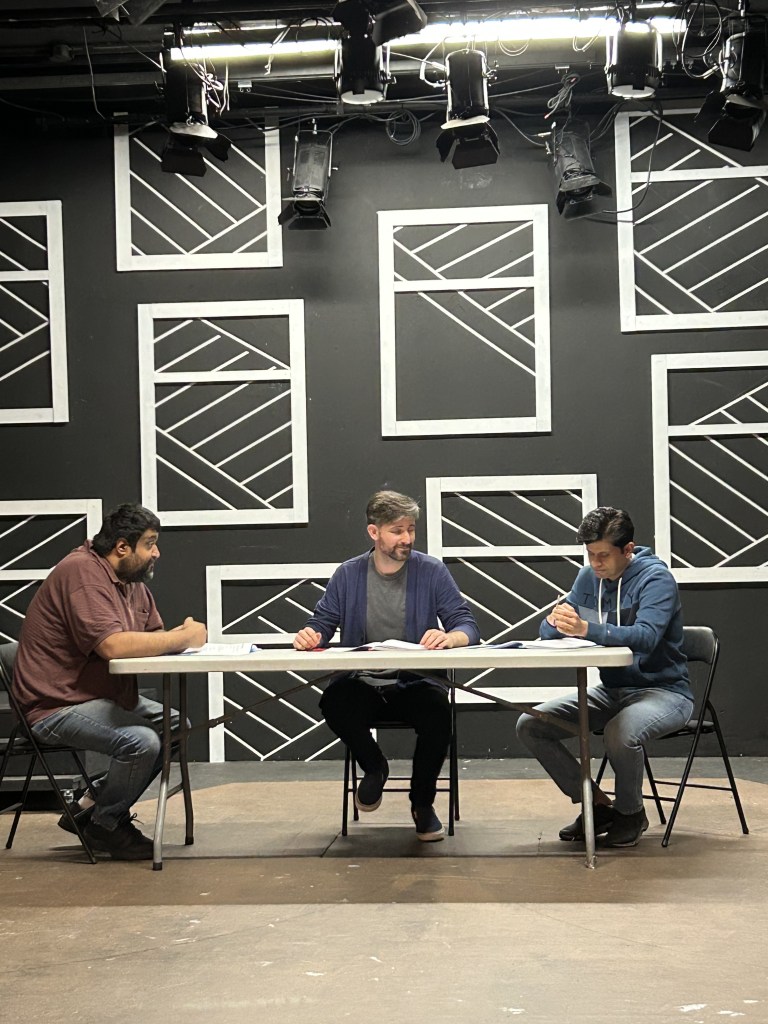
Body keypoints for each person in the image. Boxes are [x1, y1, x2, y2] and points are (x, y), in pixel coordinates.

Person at [13, 503, 206, 861]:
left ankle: (89, 806)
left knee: (177, 726)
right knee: (142, 741)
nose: (156, 553)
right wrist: (183, 638)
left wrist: (176, 637)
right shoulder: (82, 573)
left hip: (100, 697)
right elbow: (113, 646)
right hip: (55, 705)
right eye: (150, 544)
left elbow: (153, 637)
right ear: (122, 547)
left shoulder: (131, 583)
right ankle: (106, 826)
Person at [294, 489, 480, 841]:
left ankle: (422, 804)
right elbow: (322, 623)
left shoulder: (432, 570)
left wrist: (451, 638)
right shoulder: (348, 574)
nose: (407, 538)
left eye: (411, 529)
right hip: (361, 682)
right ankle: (375, 766)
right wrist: (310, 635)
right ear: (374, 532)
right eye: (397, 531)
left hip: (416, 682)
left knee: (438, 715)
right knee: (333, 702)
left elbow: (466, 625)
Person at [516, 506, 694, 848]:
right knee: (531, 724)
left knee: (620, 732)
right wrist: (555, 623)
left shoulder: (656, 579)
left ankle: (631, 813)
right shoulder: (588, 578)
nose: (595, 564)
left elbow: (646, 637)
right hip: (612, 690)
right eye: (590, 554)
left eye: (603, 556)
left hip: (665, 692)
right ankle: (597, 806)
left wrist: (586, 629)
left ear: (628, 549)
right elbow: (551, 629)